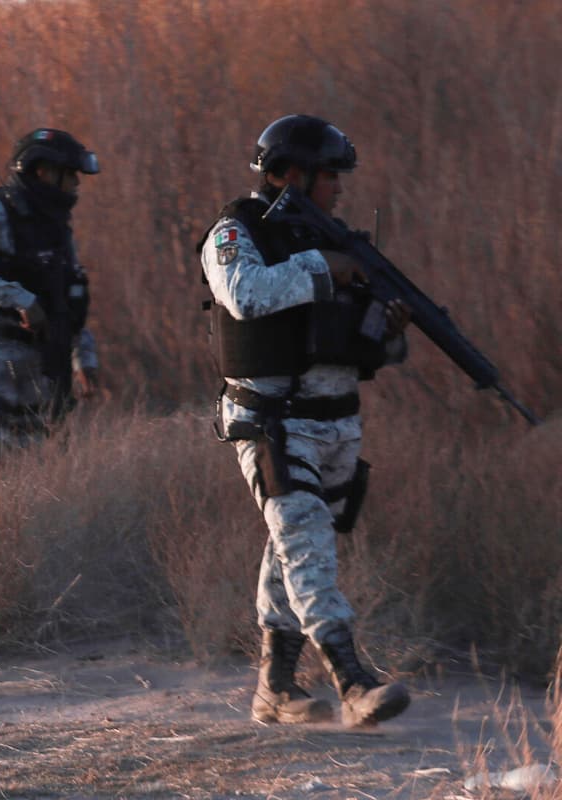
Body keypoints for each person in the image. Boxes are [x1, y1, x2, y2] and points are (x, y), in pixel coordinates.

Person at [199, 114, 413, 727]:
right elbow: (243, 294)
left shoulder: (339, 242)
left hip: (337, 422)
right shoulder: (236, 231)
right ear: (290, 175)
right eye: (329, 177)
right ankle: (352, 680)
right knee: (307, 542)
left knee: (294, 545)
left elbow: (362, 344)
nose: (339, 189)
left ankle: (275, 688)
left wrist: (386, 331)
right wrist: (326, 266)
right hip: (272, 420)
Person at [0, 128, 100, 448]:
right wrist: (20, 298)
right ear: (43, 171)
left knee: (42, 459)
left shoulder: (56, 227)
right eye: (70, 174)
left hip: (41, 360)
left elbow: (66, 298)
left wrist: (83, 357)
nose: (76, 184)